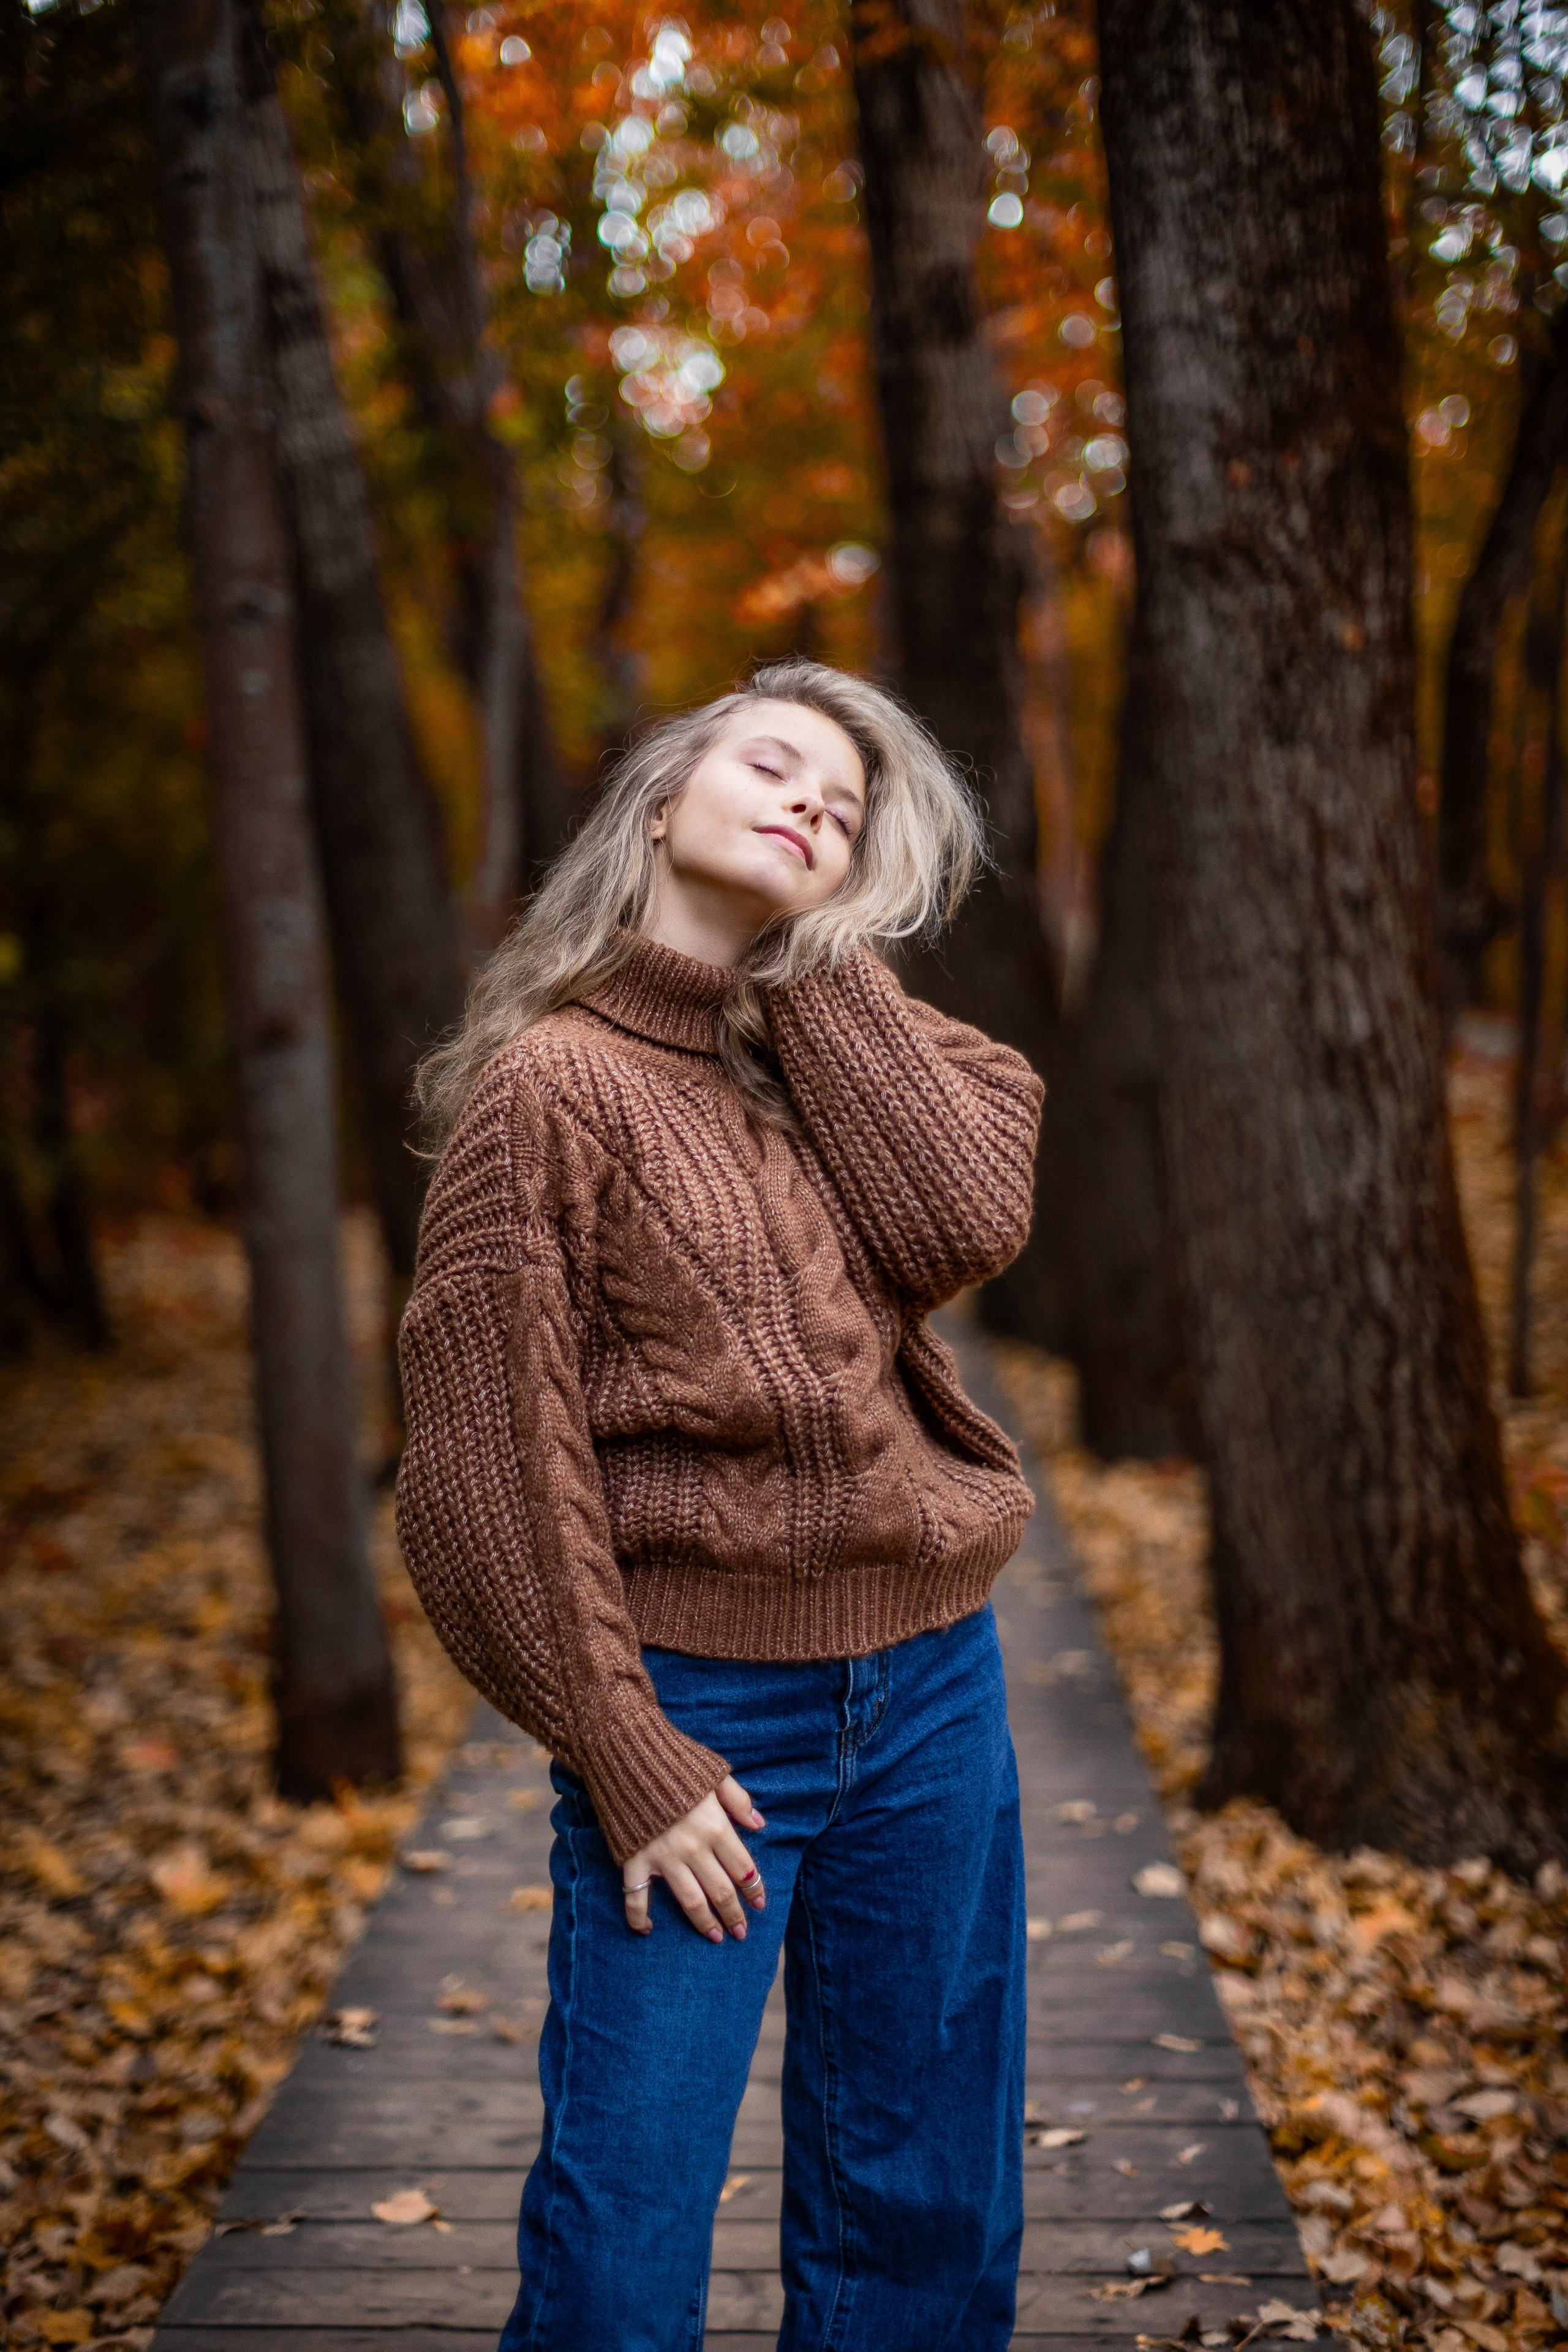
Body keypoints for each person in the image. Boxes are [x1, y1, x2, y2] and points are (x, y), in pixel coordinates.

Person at [396, 658, 1044, 2352]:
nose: (809, 810)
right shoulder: (549, 1088)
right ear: (665, 792)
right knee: (625, 2226)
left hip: (932, 1689)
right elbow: (485, 1462)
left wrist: (817, 967)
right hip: (698, 1720)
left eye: (842, 813)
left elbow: (964, 1220)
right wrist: (620, 1747)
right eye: (774, 767)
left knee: (927, 2205)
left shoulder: (840, 1054)